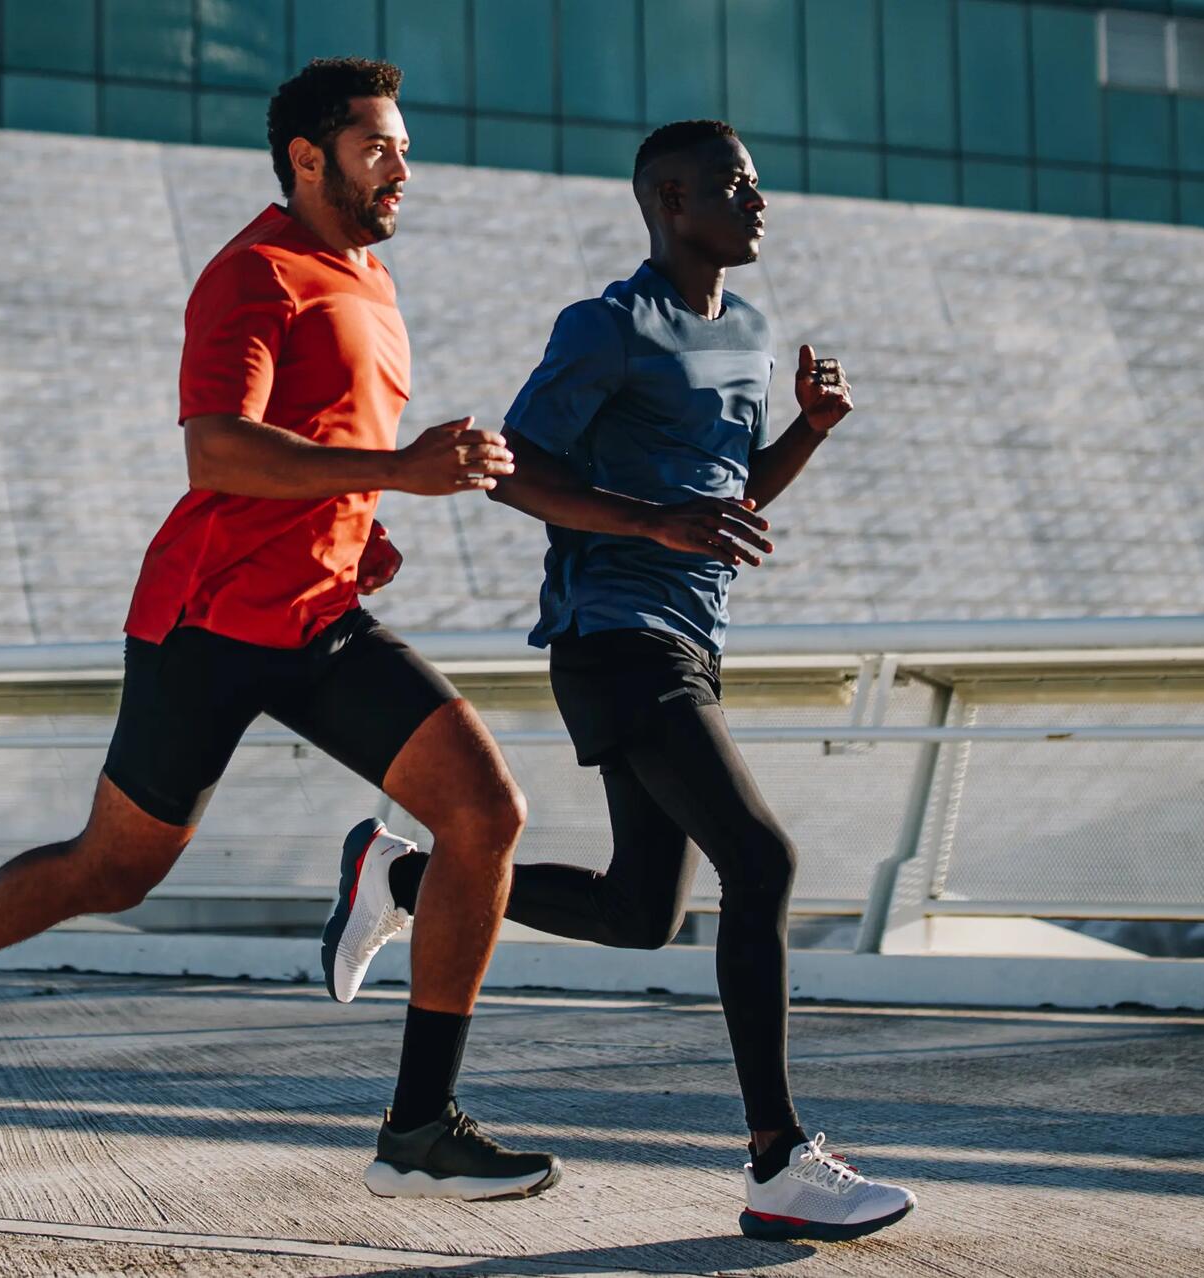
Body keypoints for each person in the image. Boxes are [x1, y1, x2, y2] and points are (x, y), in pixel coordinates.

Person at [0, 57, 561, 1203]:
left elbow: (319, 449)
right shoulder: (251, 273)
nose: (403, 167)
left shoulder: (367, 277)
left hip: (320, 616)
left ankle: (418, 1127)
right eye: (379, 148)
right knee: (112, 871)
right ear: (308, 157)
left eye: (405, 147)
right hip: (208, 623)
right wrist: (402, 474)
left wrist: (364, 528)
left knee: (484, 813)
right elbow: (216, 449)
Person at [317, 119, 916, 1240]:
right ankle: (778, 1162)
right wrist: (649, 521)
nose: (761, 201)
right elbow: (516, 472)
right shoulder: (608, 326)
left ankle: (401, 883)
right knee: (763, 859)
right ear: (672, 202)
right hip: (613, 639)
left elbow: (724, 513)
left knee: (642, 914)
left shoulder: (747, 327)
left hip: (689, 638)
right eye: (737, 186)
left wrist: (810, 433)